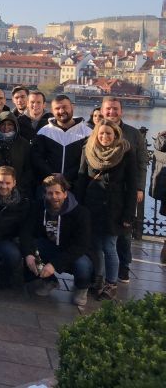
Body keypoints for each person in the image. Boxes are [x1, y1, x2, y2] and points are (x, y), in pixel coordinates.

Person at [74, 120, 137, 300]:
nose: (104, 137)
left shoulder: (125, 152)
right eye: (101, 133)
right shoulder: (88, 150)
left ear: (116, 135)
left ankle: (111, 284)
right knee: (95, 246)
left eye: (109, 133)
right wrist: (78, 207)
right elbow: (81, 179)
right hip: (91, 205)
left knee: (109, 246)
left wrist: (128, 214)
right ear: (96, 134)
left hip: (113, 208)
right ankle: (98, 279)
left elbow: (132, 186)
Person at [21, 174, 93, 306]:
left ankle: (81, 287)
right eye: (50, 193)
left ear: (65, 193)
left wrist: (54, 264)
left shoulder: (81, 213)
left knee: (83, 264)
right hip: (50, 247)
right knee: (33, 248)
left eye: (57, 193)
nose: (54, 197)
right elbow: (26, 232)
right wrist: (28, 254)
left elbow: (81, 245)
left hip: (73, 252)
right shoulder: (37, 207)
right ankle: (49, 281)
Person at [99, 96, 148, 284]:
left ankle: (124, 266)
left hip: (126, 191)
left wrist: (139, 187)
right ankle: (101, 269)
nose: (112, 112)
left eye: (115, 109)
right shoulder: (96, 131)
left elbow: (142, 163)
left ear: (122, 111)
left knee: (125, 231)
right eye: (108, 109)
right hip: (102, 191)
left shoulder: (134, 134)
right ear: (102, 111)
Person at [31, 95, 91, 188]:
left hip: (76, 185)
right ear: (52, 111)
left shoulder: (87, 132)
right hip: (50, 185)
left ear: (72, 107)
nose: (61, 111)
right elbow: (37, 158)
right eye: (57, 108)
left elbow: (87, 161)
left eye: (64, 107)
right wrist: (53, 176)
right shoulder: (44, 132)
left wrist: (66, 177)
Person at [0, 111, 33, 197]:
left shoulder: (23, 144)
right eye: (3, 124)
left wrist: (18, 186)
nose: (6, 127)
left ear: (15, 126)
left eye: (10, 124)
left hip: (18, 190)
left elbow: (29, 169)